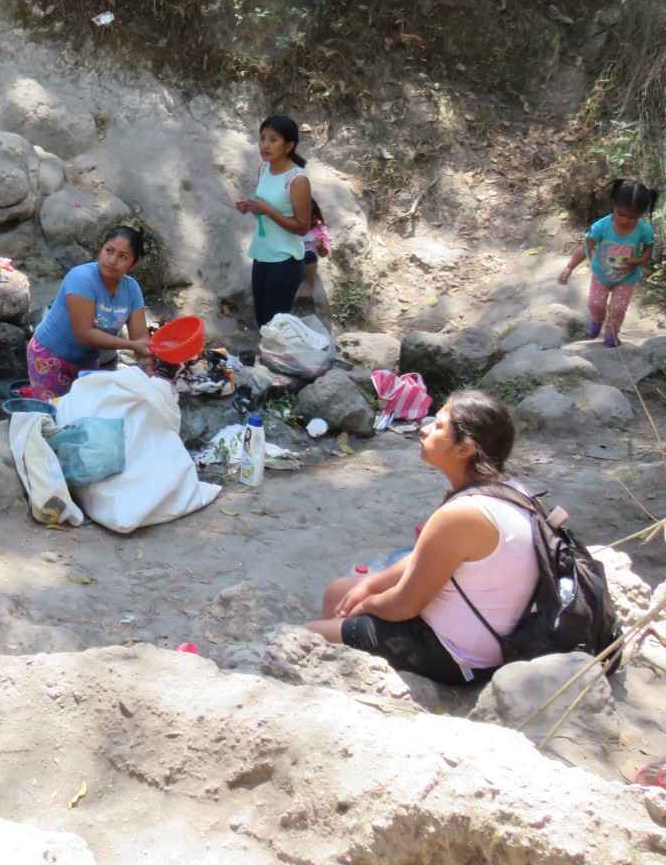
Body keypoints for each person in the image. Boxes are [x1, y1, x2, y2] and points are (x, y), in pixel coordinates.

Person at [306, 391, 537, 684]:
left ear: (465, 448)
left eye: (438, 426)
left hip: (458, 653)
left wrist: (366, 605)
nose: (424, 429)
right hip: (482, 627)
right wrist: (371, 585)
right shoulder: (509, 489)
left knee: (309, 636)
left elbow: (404, 605)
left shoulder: (463, 515)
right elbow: (424, 557)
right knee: (338, 591)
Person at [25, 225, 152, 400]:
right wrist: (132, 345)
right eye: (109, 250)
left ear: (133, 264)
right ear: (101, 249)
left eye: (123, 256)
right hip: (50, 355)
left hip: (87, 361)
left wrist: (150, 371)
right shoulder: (82, 278)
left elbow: (140, 339)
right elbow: (84, 334)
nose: (112, 260)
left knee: (86, 411)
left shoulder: (132, 289)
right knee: (54, 412)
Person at [235, 114, 314, 329]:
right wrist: (251, 207)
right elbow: (265, 211)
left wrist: (267, 210)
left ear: (289, 146)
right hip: (262, 254)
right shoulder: (264, 169)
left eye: (273, 139)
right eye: (262, 138)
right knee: (262, 321)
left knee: (275, 326)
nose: (265, 145)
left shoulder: (297, 179)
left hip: (285, 260)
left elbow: (302, 227)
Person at [558, 177, 656, 348]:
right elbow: (585, 248)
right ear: (613, 205)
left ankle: (612, 332)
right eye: (621, 214)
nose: (625, 220)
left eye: (632, 217)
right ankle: (597, 321)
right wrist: (569, 267)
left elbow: (649, 250)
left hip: (626, 278)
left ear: (641, 215)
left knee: (618, 309)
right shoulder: (601, 227)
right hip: (601, 275)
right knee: (595, 304)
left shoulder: (644, 229)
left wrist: (638, 261)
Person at [301, 200, 330, 291]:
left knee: (309, 255)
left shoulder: (319, 228)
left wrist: (320, 247)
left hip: (309, 263)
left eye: (313, 217)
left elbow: (324, 254)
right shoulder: (292, 226)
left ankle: (310, 285)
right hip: (292, 260)